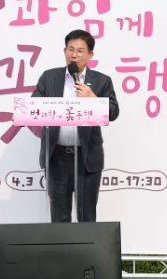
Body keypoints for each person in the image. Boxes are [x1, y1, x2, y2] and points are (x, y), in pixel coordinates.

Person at [32, 29, 119, 222]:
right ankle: (60, 244)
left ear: (90, 55)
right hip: (56, 156)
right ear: (64, 51)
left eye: (80, 51)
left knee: (86, 216)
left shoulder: (101, 81)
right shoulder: (49, 77)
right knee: (59, 216)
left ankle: (86, 244)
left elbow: (113, 112)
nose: (74, 55)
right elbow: (34, 108)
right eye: (70, 49)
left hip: (87, 157)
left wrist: (93, 98)